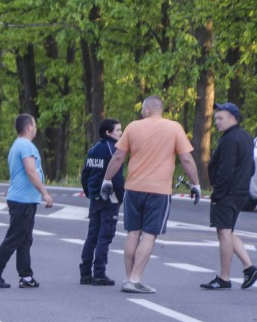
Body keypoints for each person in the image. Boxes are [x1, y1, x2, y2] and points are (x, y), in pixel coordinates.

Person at [100, 95, 201, 294]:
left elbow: (119, 156)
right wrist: (196, 184)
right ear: (160, 110)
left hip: (133, 188)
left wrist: (107, 179)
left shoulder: (132, 127)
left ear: (147, 109)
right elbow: (186, 159)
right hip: (159, 191)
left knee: (132, 233)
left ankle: (129, 278)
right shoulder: (174, 128)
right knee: (149, 235)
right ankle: (135, 279)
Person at [0, 113, 55, 289]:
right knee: (15, 238)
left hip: (23, 199)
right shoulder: (26, 146)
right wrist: (45, 193)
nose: (36, 128)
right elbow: (31, 171)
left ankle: (26, 276)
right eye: (35, 125)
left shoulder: (17, 145)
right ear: (29, 127)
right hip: (23, 200)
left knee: (24, 239)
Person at [201, 102, 257, 290]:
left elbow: (225, 170)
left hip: (227, 193)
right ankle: (249, 268)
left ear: (233, 118)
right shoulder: (246, 137)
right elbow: (251, 167)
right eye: (216, 118)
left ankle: (224, 278)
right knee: (227, 231)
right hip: (240, 191)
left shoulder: (229, 140)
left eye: (220, 118)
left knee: (224, 233)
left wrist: (217, 194)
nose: (216, 122)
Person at [79, 118, 125, 286]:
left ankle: (85, 273)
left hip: (95, 198)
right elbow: (118, 178)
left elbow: (85, 174)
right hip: (109, 199)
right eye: (118, 130)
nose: (121, 133)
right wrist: (121, 197)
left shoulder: (93, 149)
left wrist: (89, 192)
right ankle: (99, 273)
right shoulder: (114, 150)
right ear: (108, 132)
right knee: (104, 236)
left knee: (92, 235)